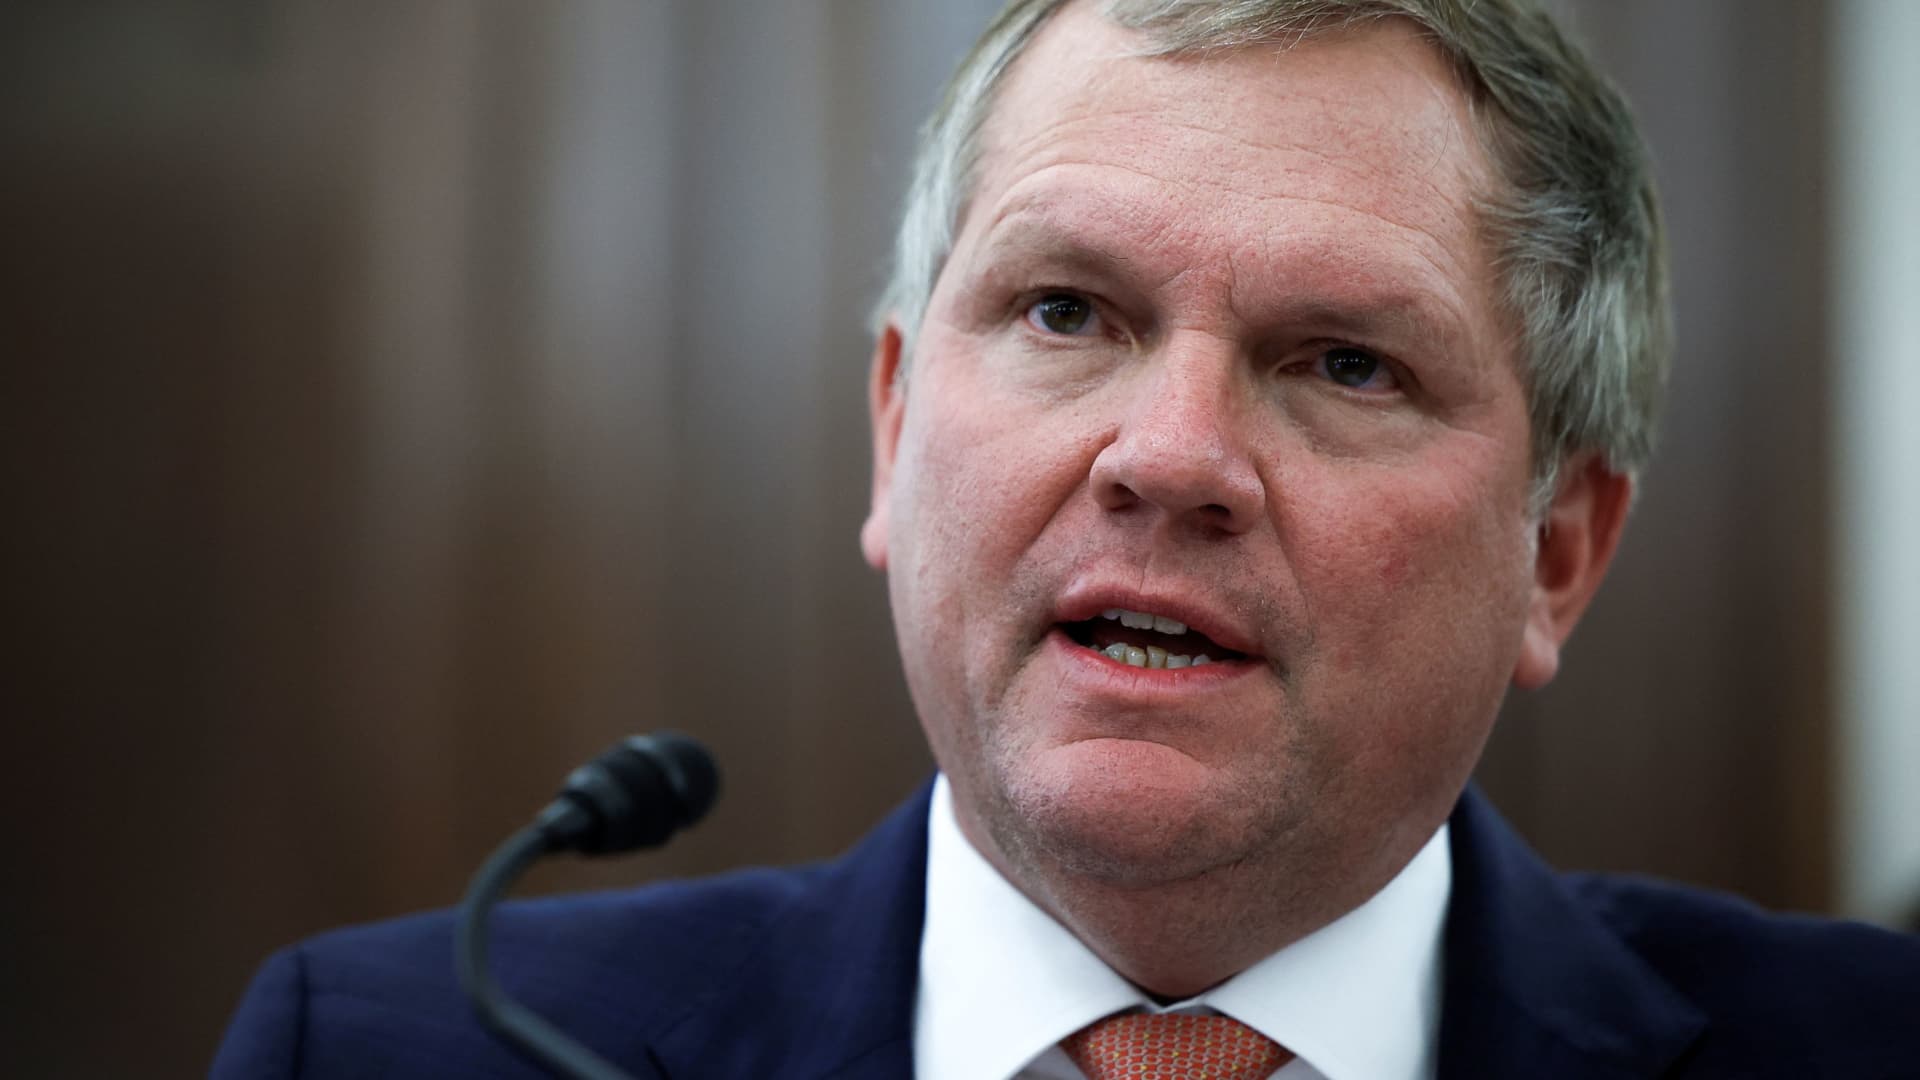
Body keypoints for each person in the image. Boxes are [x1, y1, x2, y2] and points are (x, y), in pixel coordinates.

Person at [212, 1, 1920, 1077]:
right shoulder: (392, 1049)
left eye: (1345, 362)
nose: (1169, 459)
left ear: (1556, 551)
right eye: (1065, 311)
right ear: (896, 429)